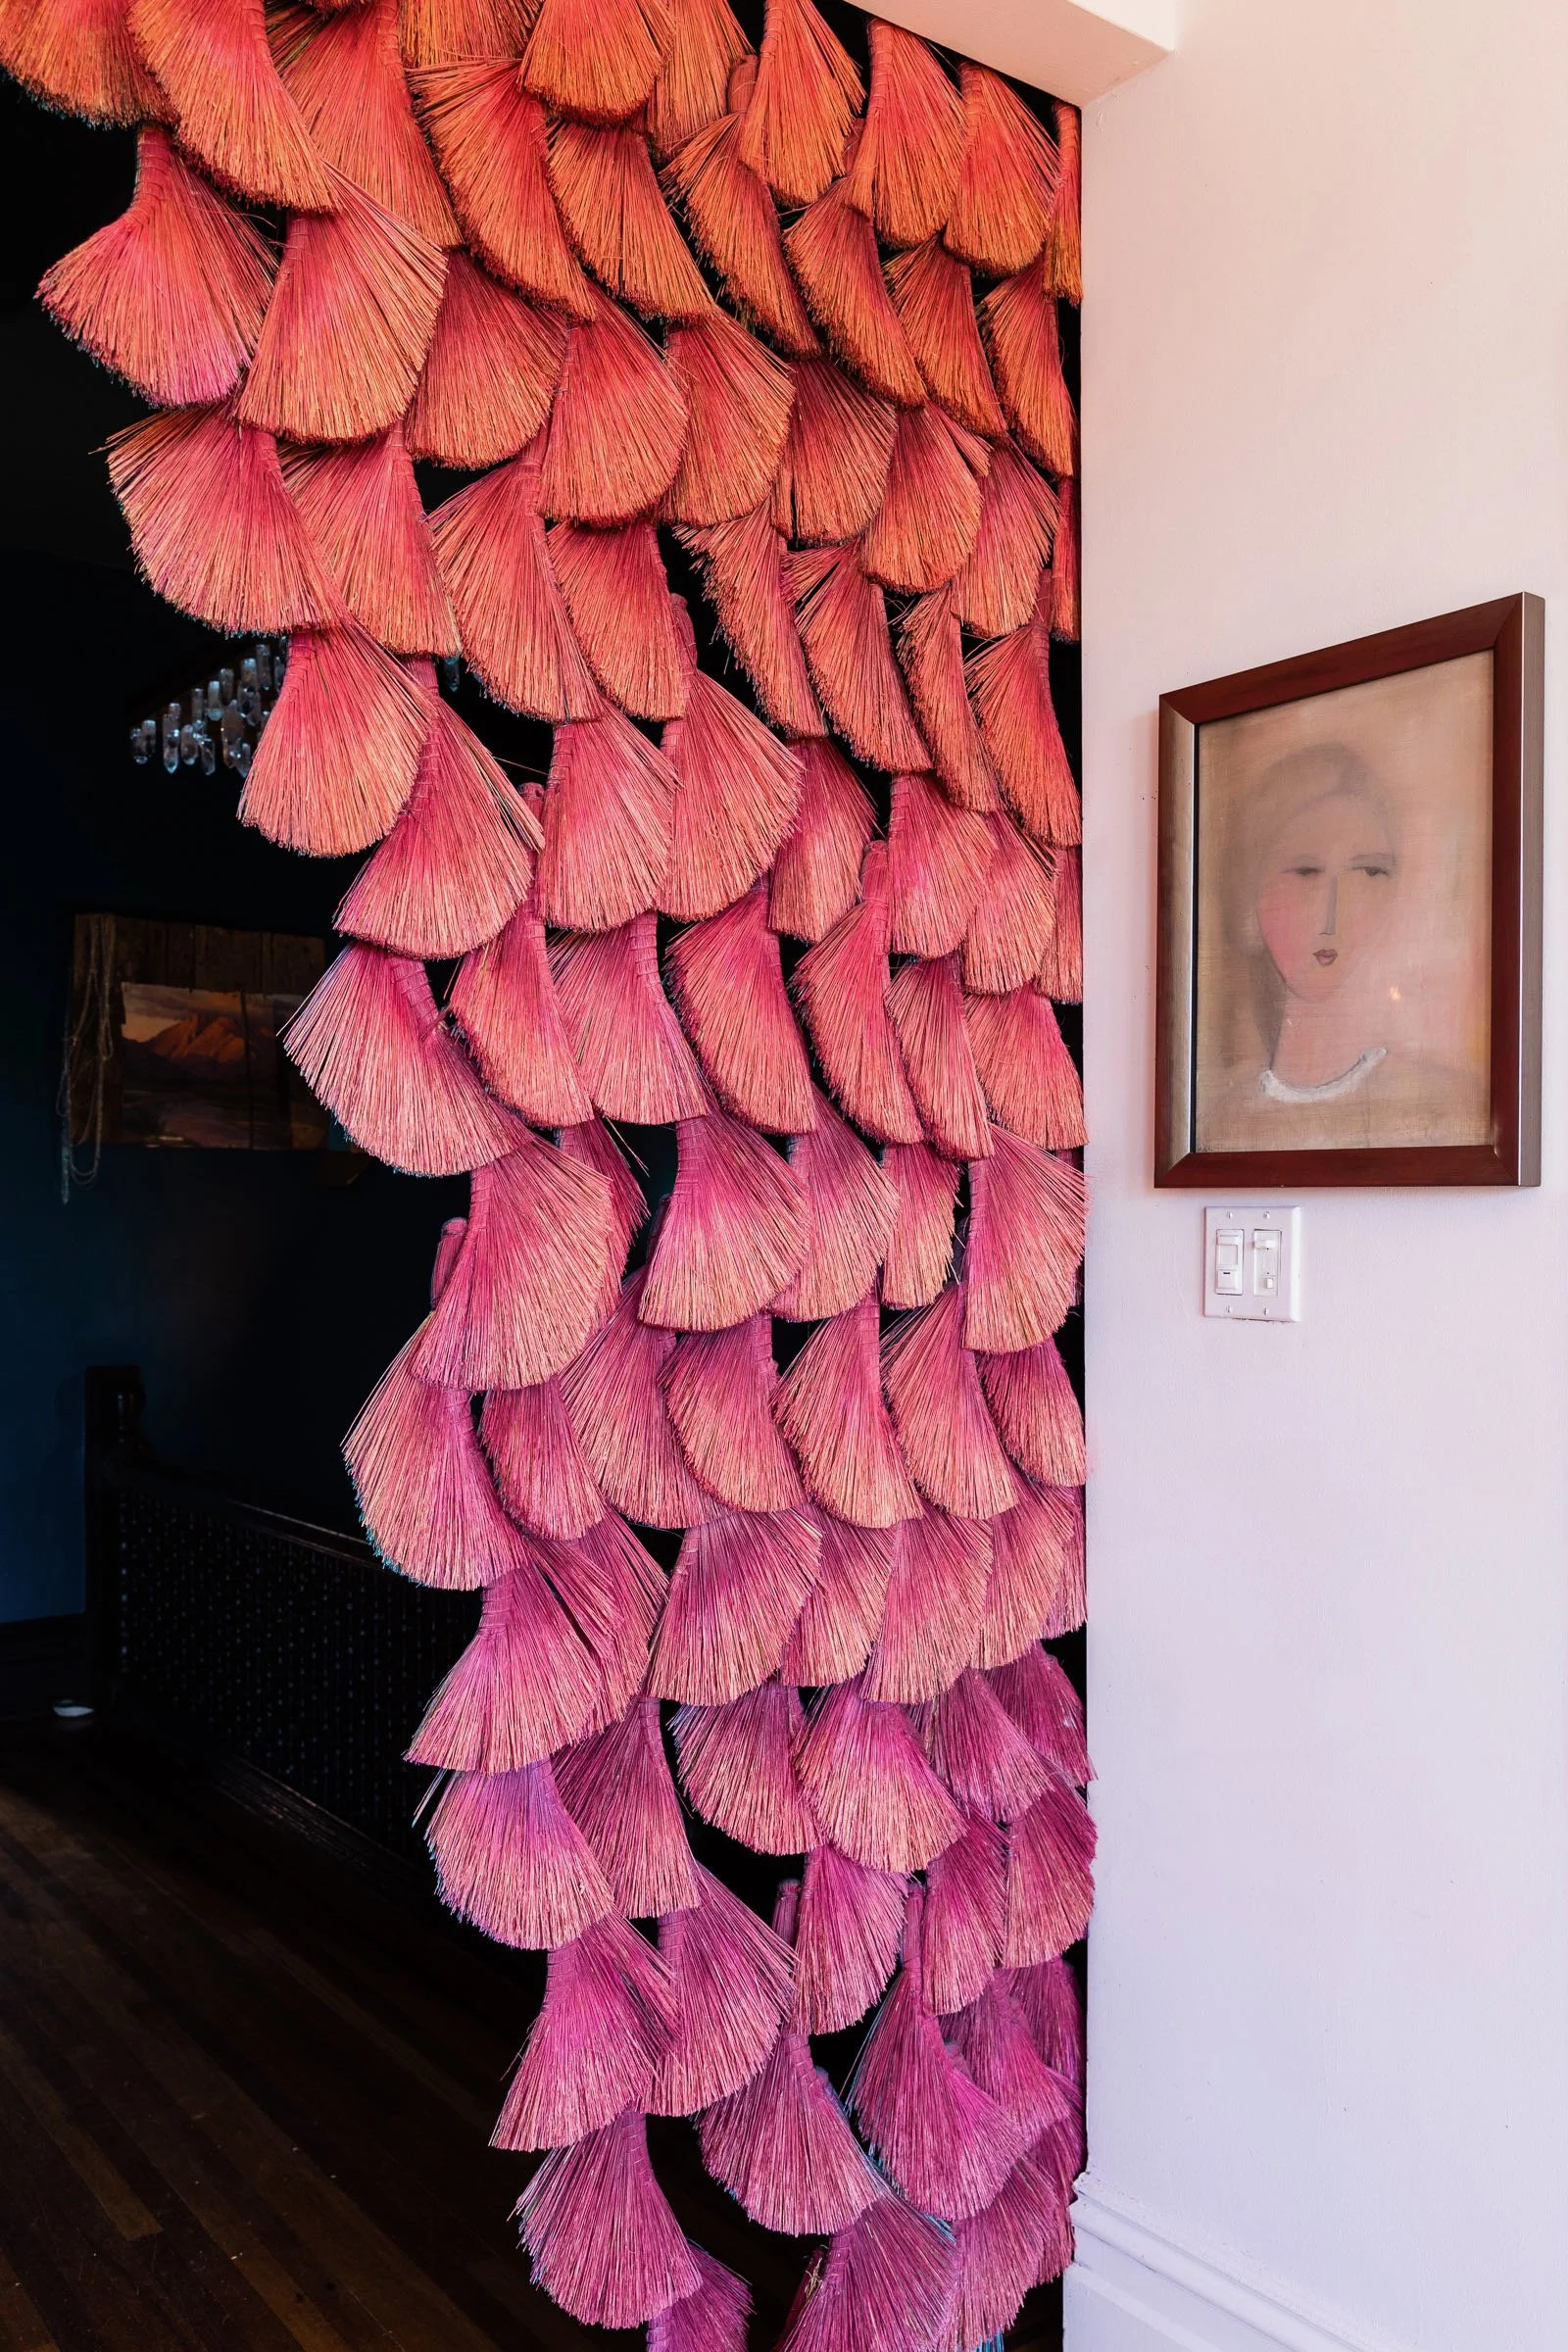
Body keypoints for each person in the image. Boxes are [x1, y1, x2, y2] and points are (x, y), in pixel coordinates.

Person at [1198, 741, 1485, 1150]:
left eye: (1368, 872)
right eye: (1305, 873)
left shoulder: (1446, 1104)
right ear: (1249, 895)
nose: (1332, 914)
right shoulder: (1217, 1123)